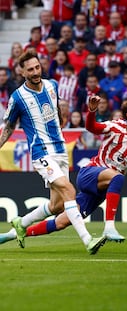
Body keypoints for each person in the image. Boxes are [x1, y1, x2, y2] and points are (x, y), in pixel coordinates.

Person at [0, 96, 127, 244]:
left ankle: (14, 234)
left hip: (102, 189)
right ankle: (109, 227)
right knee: (118, 177)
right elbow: (92, 127)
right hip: (91, 173)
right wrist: (91, 112)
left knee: (62, 221)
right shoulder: (116, 126)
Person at [0, 51, 106, 254]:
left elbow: (56, 110)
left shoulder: (52, 86)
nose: (35, 72)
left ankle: (21, 223)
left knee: (57, 205)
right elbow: (9, 128)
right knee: (69, 191)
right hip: (42, 153)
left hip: (60, 149)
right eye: (30, 69)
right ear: (22, 72)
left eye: (37, 67)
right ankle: (88, 240)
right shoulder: (18, 98)